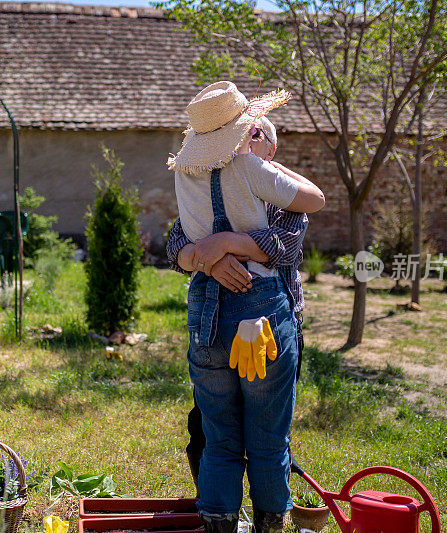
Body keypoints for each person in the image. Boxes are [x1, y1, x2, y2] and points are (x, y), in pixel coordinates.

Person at [168, 81, 324, 533]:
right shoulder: (252, 170)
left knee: (220, 437)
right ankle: (269, 525)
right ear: (239, 132)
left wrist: (218, 248)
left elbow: (184, 240)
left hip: (206, 313)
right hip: (261, 311)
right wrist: (219, 254)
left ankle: (218, 525)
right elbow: (316, 199)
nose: (253, 138)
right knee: (269, 438)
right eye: (249, 130)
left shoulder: (183, 174)